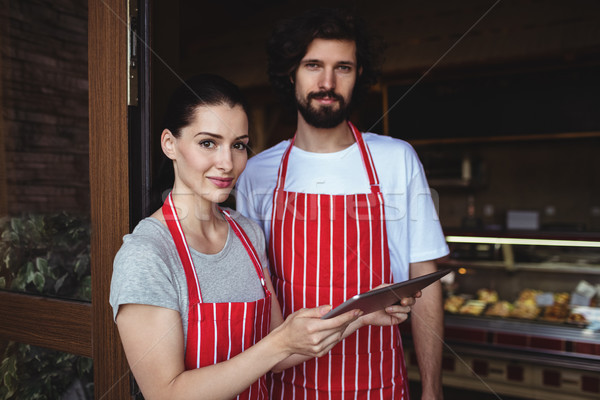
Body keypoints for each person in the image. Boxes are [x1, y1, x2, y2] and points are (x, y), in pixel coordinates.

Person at [109, 74, 415, 400]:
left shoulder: (248, 234)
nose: (227, 163)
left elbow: (281, 353)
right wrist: (279, 342)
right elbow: (166, 394)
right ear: (170, 143)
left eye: (238, 145)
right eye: (208, 143)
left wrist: (361, 314)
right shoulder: (147, 254)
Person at [235, 8, 449, 400]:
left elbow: (425, 276)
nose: (327, 82)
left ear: (359, 75)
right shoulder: (256, 173)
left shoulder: (396, 159)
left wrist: (432, 390)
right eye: (313, 65)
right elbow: (257, 292)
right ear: (290, 73)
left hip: (378, 385)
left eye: (343, 68)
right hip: (286, 386)